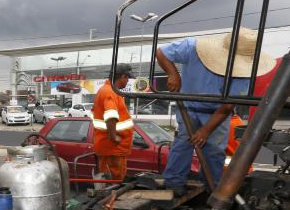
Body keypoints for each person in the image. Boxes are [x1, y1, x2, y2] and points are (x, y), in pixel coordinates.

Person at [156, 28, 275, 196]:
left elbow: (228, 106)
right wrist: (173, 74)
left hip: (216, 112)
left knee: (213, 150)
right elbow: (162, 52)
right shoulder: (192, 47)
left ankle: (212, 188)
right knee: (184, 142)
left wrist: (205, 130)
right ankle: (174, 182)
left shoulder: (245, 73)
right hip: (188, 107)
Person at [92, 63, 135, 182]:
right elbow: (111, 115)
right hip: (112, 148)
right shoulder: (110, 92)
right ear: (122, 77)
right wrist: (113, 136)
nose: (127, 82)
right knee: (114, 182)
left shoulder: (108, 90)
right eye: (127, 78)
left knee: (110, 181)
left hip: (110, 148)